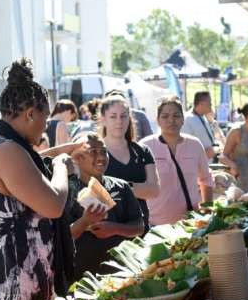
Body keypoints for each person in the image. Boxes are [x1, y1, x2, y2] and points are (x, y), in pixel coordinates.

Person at [0, 59, 77, 300]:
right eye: (44, 118)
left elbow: (25, 171)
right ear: (29, 114)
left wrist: (55, 152)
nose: (44, 128)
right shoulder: (8, 151)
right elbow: (53, 205)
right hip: (16, 287)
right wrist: (61, 165)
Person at [69, 133, 145, 278]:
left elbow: (140, 226)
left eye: (104, 151)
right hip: (82, 278)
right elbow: (63, 238)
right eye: (93, 152)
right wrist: (84, 221)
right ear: (78, 158)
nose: (101, 157)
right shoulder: (66, 192)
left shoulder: (121, 186)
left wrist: (115, 228)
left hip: (122, 274)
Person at [140, 96, 214, 225]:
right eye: (165, 116)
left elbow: (206, 179)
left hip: (190, 222)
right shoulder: (145, 146)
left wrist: (207, 210)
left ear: (183, 119)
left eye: (176, 116)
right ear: (157, 120)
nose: (171, 120)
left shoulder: (194, 144)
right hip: (155, 225)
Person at [99, 95, 160, 230]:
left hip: (139, 228)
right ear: (103, 119)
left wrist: (118, 189)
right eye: (113, 116)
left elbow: (154, 190)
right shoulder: (95, 152)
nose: (119, 121)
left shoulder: (142, 151)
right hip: (106, 229)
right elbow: (93, 191)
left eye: (124, 116)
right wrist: (137, 188)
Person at [182, 91, 217, 160]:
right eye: (209, 103)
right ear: (201, 104)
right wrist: (205, 154)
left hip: (207, 163)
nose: (211, 105)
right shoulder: (187, 119)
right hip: (196, 165)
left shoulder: (202, 116)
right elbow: (185, 146)